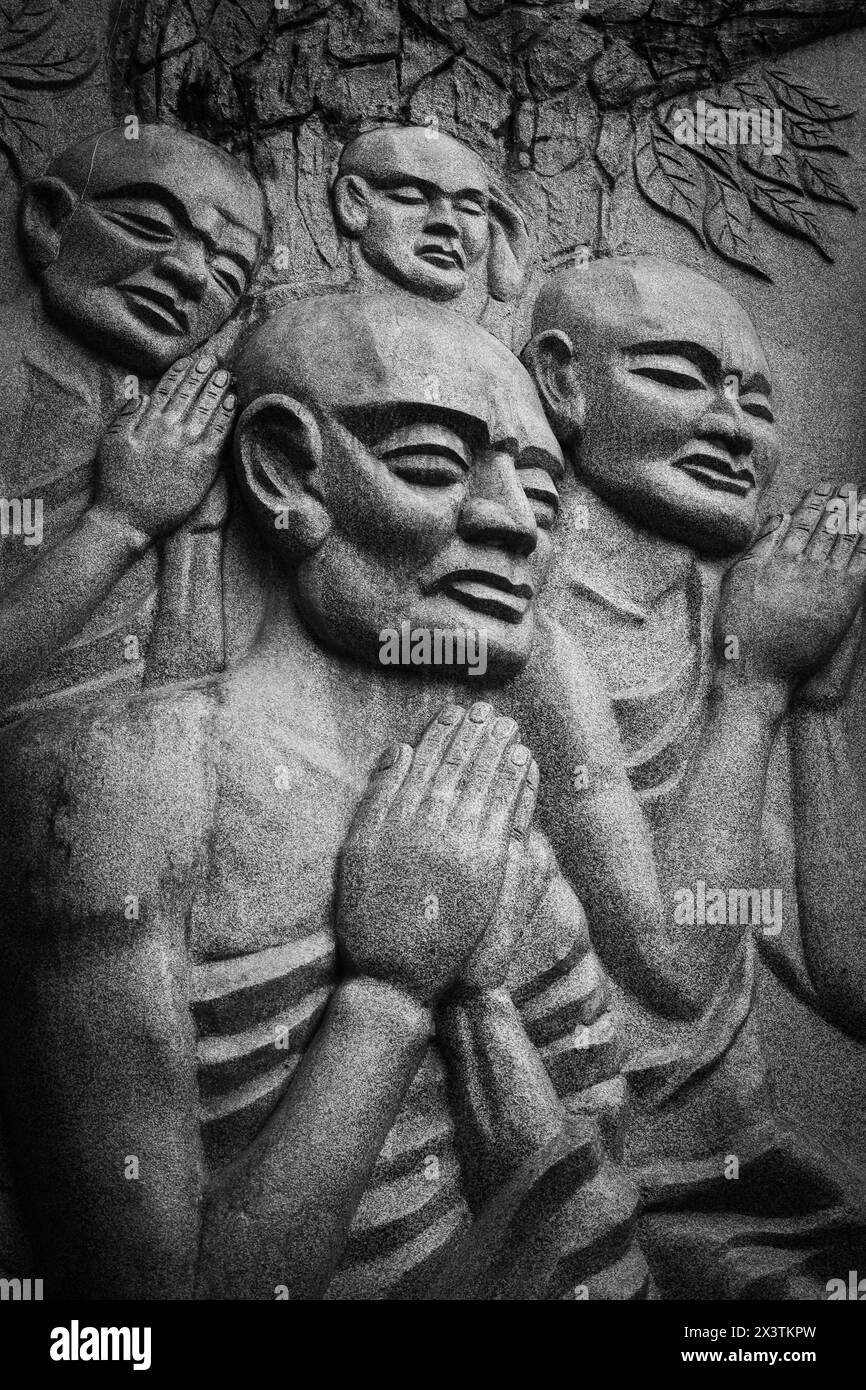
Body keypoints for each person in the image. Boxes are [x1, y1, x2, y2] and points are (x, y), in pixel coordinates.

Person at [0, 294, 650, 1300]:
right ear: (281, 471)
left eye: (543, 497)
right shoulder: (123, 780)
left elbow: (588, 1200)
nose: (514, 525)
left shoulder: (488, 784)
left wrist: (476, 1002)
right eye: (434, 464)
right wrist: (388, 998)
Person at [0, 123, 265, 707]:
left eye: (227, 275)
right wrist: (120, 522)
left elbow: (180, 702)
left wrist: (191, 529)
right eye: (150, 226)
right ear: (49, 220)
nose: (192, 274)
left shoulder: (187, 432)